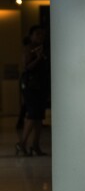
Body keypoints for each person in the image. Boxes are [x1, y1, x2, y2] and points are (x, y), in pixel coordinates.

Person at [15, 26, 50, 156]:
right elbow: (27, 67)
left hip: (40, 85)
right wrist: (38, 57)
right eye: (37, 34)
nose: (40, 37)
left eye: (42, 34)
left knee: (39, 116)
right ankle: (22, 143)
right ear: (31, 36)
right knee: (33, 114)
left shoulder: (43, 49)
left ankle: (35, 145)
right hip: (30, 85)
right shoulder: (28, 49)